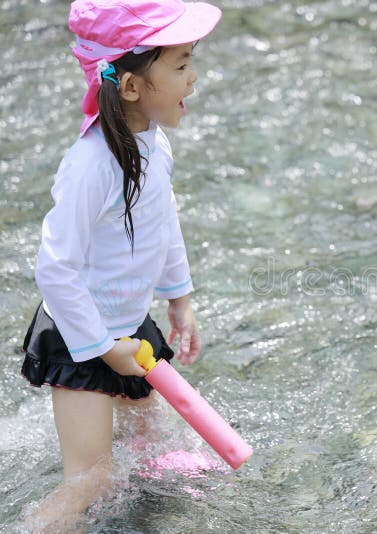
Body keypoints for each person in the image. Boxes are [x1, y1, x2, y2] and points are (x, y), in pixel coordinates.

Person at [18, 0, 222, 531]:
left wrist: (180, 298)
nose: (193, 78)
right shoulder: (90, 165)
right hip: (82, 336)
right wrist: (104, 349)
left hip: (131, 325)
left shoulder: (153, 143)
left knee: (148, 445)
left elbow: (162, 220)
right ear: (130, 87)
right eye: (179, 65)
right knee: (92, 480)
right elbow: (56, 268)